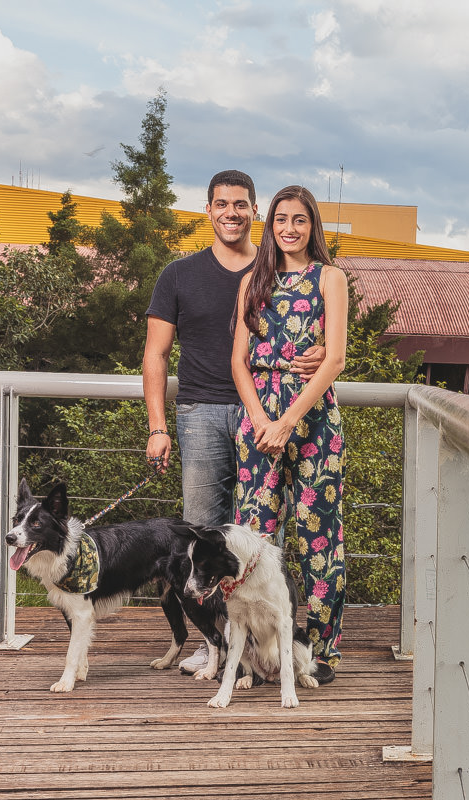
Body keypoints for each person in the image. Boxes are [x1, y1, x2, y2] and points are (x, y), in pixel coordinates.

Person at [143, 170, 322, 674]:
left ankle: (262, 650)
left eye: (241, 205)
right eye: (222, 204)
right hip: (199, 413)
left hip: (262, 415)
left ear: (254, 212)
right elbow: (155, 356)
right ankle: (213, 645)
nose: (231, 213)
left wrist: (323, 349)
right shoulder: (178, 275)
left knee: (256, 537)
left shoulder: (275, 274)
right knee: (202, 534)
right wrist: (158, 426)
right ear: (208, 210)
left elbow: (311, 324)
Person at [231, 185, 347, 671]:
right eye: (281, 219)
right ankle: (258, 655)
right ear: (269, 224)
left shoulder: (330, 278)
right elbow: (237, 361)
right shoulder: (251, 282)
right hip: (259, 415)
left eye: (299, 220)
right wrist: (262, 419)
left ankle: (319, 654)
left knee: (319, 536)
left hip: (312, 416)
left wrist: (289, 420)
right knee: (253, 539)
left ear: (312, 225)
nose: (290, 229)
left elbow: (335, 357)